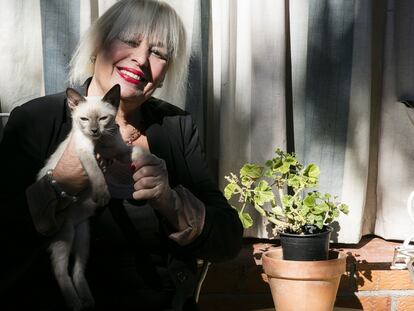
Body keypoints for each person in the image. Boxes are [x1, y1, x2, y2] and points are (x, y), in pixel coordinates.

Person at [0, 0, 243, 310]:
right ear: (96, 47)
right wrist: (58, 184)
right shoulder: (36, 120)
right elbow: (4, 240)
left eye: (158, 53)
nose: (141, 60)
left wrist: (171, 201)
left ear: (165, 73)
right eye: (129, 41)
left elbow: (226, 240)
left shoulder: (175, 127)